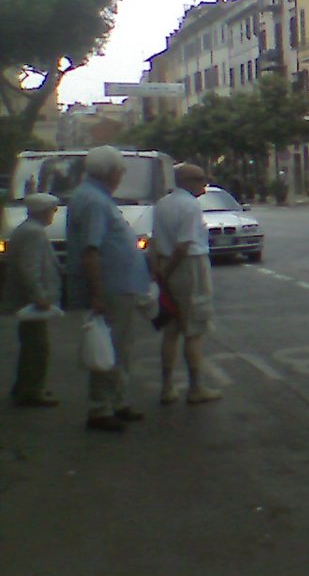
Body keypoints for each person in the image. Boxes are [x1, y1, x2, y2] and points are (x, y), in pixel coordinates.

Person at [65, 146, 153, 433]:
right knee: (110, 349)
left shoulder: (94, 197)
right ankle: (101, 408)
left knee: (121, 348)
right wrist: (98, 293)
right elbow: (91, 251)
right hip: (112, 288)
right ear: (110, 172)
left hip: (119, 286)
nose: (121, 175)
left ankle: (117, 401)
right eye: (120, 170)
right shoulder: (93, 201)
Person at [152, 164, 222, 405]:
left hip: (166, 264)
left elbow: (156, 239)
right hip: (189, 266)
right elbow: (183, 245)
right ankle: (195, 387)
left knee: (171, 330)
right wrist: (169, 270)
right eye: (202, 178)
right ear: (189, 180)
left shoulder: (163, 203)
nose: (205, 182)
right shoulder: (190, 206)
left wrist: (160, 273)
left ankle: (167, 387)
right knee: (194, 328)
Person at [3, 193, 62, 407]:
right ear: (43, 211)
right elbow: (30, 267)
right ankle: (32, 390)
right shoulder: (34, 233)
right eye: (52, 210)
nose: (53, 215)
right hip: (32, 301)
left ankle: (24, 386)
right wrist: (39, 296)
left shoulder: (26, 230)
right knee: (37, 347)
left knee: (31, 344)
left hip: (27, 299)